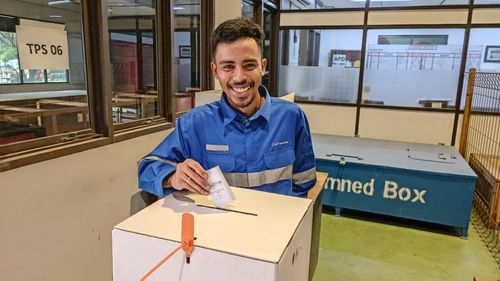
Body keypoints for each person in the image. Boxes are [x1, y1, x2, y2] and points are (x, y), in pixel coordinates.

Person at [138, 18, 316, 198]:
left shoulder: (291, 117)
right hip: (217, 224)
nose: (239, 77)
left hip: (277, 223)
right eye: (228, 67)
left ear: (263, 66)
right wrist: (172, 177)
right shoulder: (194, 124)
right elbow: (147, 168)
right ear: (215, 71)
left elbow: (303, 180)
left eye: (249, 65)